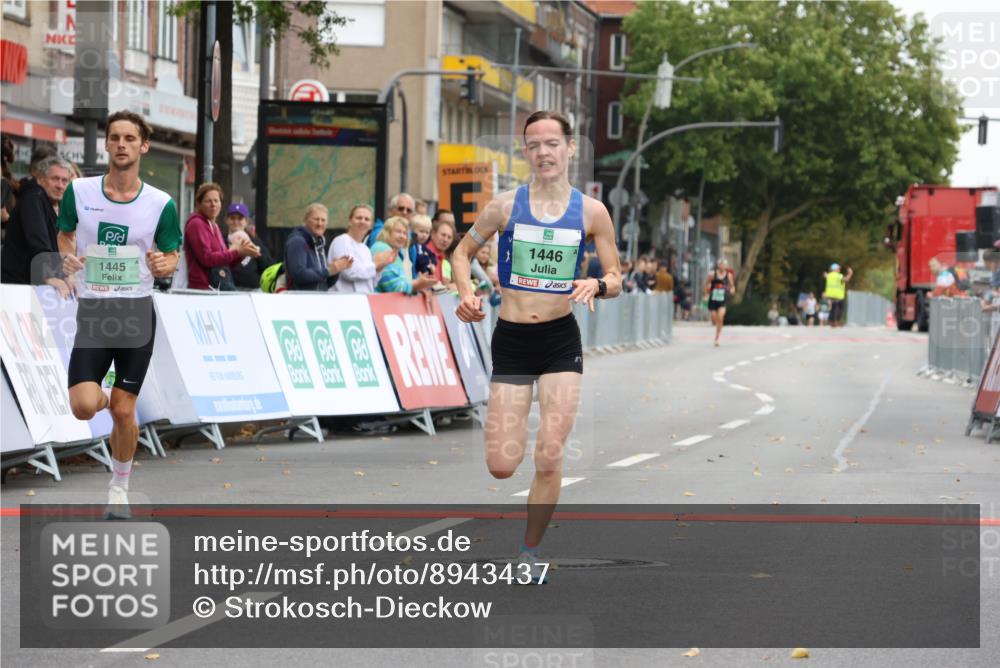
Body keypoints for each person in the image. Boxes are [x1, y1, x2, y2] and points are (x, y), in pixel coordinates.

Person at [452, 110, 622, 584]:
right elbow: (461, 253)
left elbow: (616, 278)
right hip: (511, 340)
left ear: (570, 148)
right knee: (503, 465)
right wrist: (465, 294)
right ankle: (522, 472)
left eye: (552, 143)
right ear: (524, 153)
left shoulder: (591, 212)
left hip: (558, 339)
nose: (543, 152)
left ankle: (529, 552)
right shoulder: (504, 207)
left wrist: (597, 285)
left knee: (549, 452)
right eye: (533, 145)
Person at [57, 110, 183, 519]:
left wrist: (164, 264)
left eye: (130, 138)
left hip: (134, 314)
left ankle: (118, 488)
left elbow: (170, 255)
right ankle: (113, 400)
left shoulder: (161, 203)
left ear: (143, 146)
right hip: (94, 312)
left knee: (125, 412)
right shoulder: (80, 191)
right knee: (81, 405)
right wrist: (67, 259)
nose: (122, 145)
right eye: (115, 138)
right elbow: (65, 234)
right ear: (107, 144)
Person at [1, 156, 72, 292]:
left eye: (64, 181)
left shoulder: (57, 203)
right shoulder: (33, 198)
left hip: (32, 285)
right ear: (40, 179)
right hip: (17, 286)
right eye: (55, 179)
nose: (60, 185)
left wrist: (64, 275)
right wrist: (49, 276)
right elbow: (38, 242)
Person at [184, 183, 260, 290]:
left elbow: (224, 264)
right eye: (208, 201)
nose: (213, 204)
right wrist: (237, 252)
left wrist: (243, 253)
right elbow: (207, 259)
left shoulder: (214, 226)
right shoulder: (196, 224)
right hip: (202, 289)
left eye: (216, 200)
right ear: (199, 204)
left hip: (216, 288)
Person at [328, 203, 396, 293]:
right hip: (342, 301)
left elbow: (370, 283)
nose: (362, 221)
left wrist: (379, 268)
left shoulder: (366, 249)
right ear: (350, 221)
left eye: (367, 219)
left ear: (371, 225)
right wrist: (375, 264)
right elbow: (350, 273)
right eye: (359, 218)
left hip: (362, 301)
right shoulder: (341, 241)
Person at [284, 202, 352, 291]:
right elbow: (298, 274)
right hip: (301, 301)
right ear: (305, 220)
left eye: (323, 220)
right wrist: (329, 270)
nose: (320, 224)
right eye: (316, 219)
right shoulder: (297, 241)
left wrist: (337, 269)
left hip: (318, 300)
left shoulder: (319, 243)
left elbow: (324, 283)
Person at [372, 216, 435, 294]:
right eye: (398, 231)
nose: (402, 236)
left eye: (405, 233)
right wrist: (418, 284)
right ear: (387, 232)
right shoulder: (382, 248)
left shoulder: (395, 252)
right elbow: (393, 287)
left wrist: (420, 285)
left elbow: (402, 283)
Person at [224, 202, 275, 290]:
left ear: (246, 221)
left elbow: (268, 267)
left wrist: (258, 253)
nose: (236, 222)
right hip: (227, 290)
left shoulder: (255, 242)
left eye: (240, 218)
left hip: (253, 291)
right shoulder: (220, 240)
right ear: (226, 220)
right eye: (232, 218)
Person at [705, 258, 735, 346]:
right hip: (713, 299)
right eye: (720, 264)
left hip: (722, 299)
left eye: (724, 265)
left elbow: (732, 286)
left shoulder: (728, 275)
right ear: (718, 265)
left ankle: (717, 338)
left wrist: (732, 290)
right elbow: (706, 284)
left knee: (720, 316)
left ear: (726, 266)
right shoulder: (712, 274)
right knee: (714, 319)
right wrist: (706, 294)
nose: (722, 266)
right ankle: (718, 327)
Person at [427, 217, 456, 287]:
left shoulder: (443, 257)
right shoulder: (425, 254)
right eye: (443, 235)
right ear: (433, 234)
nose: (445, 239)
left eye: (449, 237)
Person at [822, 263, 852, 328]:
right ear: (835, 269)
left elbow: (825, 275)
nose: (839, 269)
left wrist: (825, 274)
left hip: (830, 294)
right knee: (839, 307)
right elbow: (846, 280)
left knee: (834, 307)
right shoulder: (839, 275)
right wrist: (850, 273)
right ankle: (836, 321)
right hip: (838, 295)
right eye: (838, 268)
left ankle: (832, 321)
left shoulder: (829, 275)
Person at [408, 213, 437, 278]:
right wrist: (427, 262)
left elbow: (432, 255)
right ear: (412, 231)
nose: (424, 235)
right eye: (421, 231)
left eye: (427, 232)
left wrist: (433, 263)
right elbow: (419, 261)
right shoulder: (412, 246)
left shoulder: (423, 246)